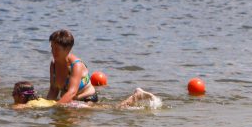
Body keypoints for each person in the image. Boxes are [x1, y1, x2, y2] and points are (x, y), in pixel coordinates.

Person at [14, 81, 159, 109]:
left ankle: (136, 96)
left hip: (74, 107)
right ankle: (135, 97)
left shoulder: (27, 105)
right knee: (111, 107)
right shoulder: (39, 100)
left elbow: (16, 109)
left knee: (116, 108)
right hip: (73, 105)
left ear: (21, 96)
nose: (12, 95)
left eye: (13, 93)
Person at [46, 29, 97, 103]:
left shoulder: (76, 65)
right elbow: (53, 90)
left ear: (67, 49)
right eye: (52, 47)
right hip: (71, 101)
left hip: (87, 99)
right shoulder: (53, 64)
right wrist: (47, 104)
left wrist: (55, 106)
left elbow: (72, 92)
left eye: (57, 49)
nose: (53, 51)